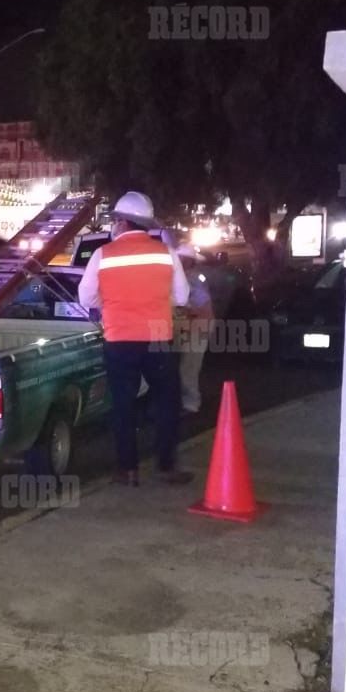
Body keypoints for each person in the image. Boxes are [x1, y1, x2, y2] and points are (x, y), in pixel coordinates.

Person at [78, 191, 192, 486]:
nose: (114, 225)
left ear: (123, 222)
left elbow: (85, 297)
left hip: (119, 340)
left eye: (116, 220)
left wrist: (112, 301)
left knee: (122, 404)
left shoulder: (103, 255)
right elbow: (182, 296)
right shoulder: (166, 253)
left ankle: (127, 469)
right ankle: (166, 466)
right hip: (157, 339)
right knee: (167, 401)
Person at [175, 243, 214, 413]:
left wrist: (183, 309)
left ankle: (191, 404)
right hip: (189, 327)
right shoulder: (182, 278)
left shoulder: (193, 279)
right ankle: (183, 401)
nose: (180, 262)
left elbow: (199, 308)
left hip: (198, 326)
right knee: (183, 365)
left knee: (189, 367)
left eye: (184, 260)